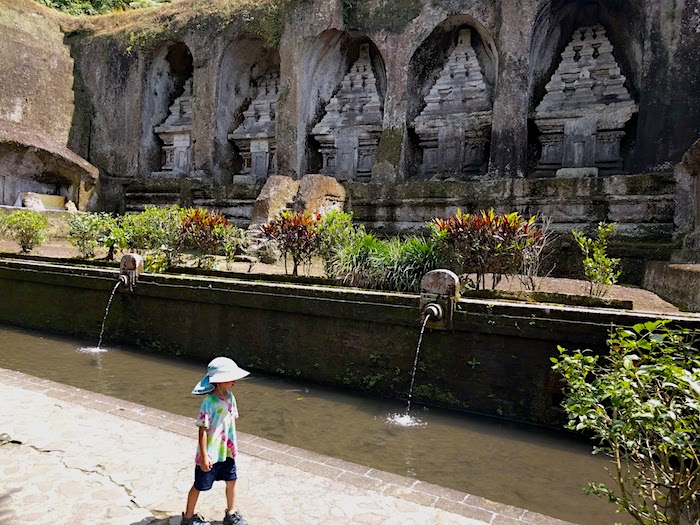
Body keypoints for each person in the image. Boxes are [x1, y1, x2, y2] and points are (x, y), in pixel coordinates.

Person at [181, 357, 250, 525]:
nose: (234, 381)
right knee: (199, 485)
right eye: (229, 378)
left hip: (226, 451)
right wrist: (204, 456)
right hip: (211, 453)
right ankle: (188, 517)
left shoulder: (230, 397)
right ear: (218, 380)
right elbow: (202, 429)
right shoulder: (208, 403)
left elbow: (230, 421)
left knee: (231, 481)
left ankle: (231, 513)